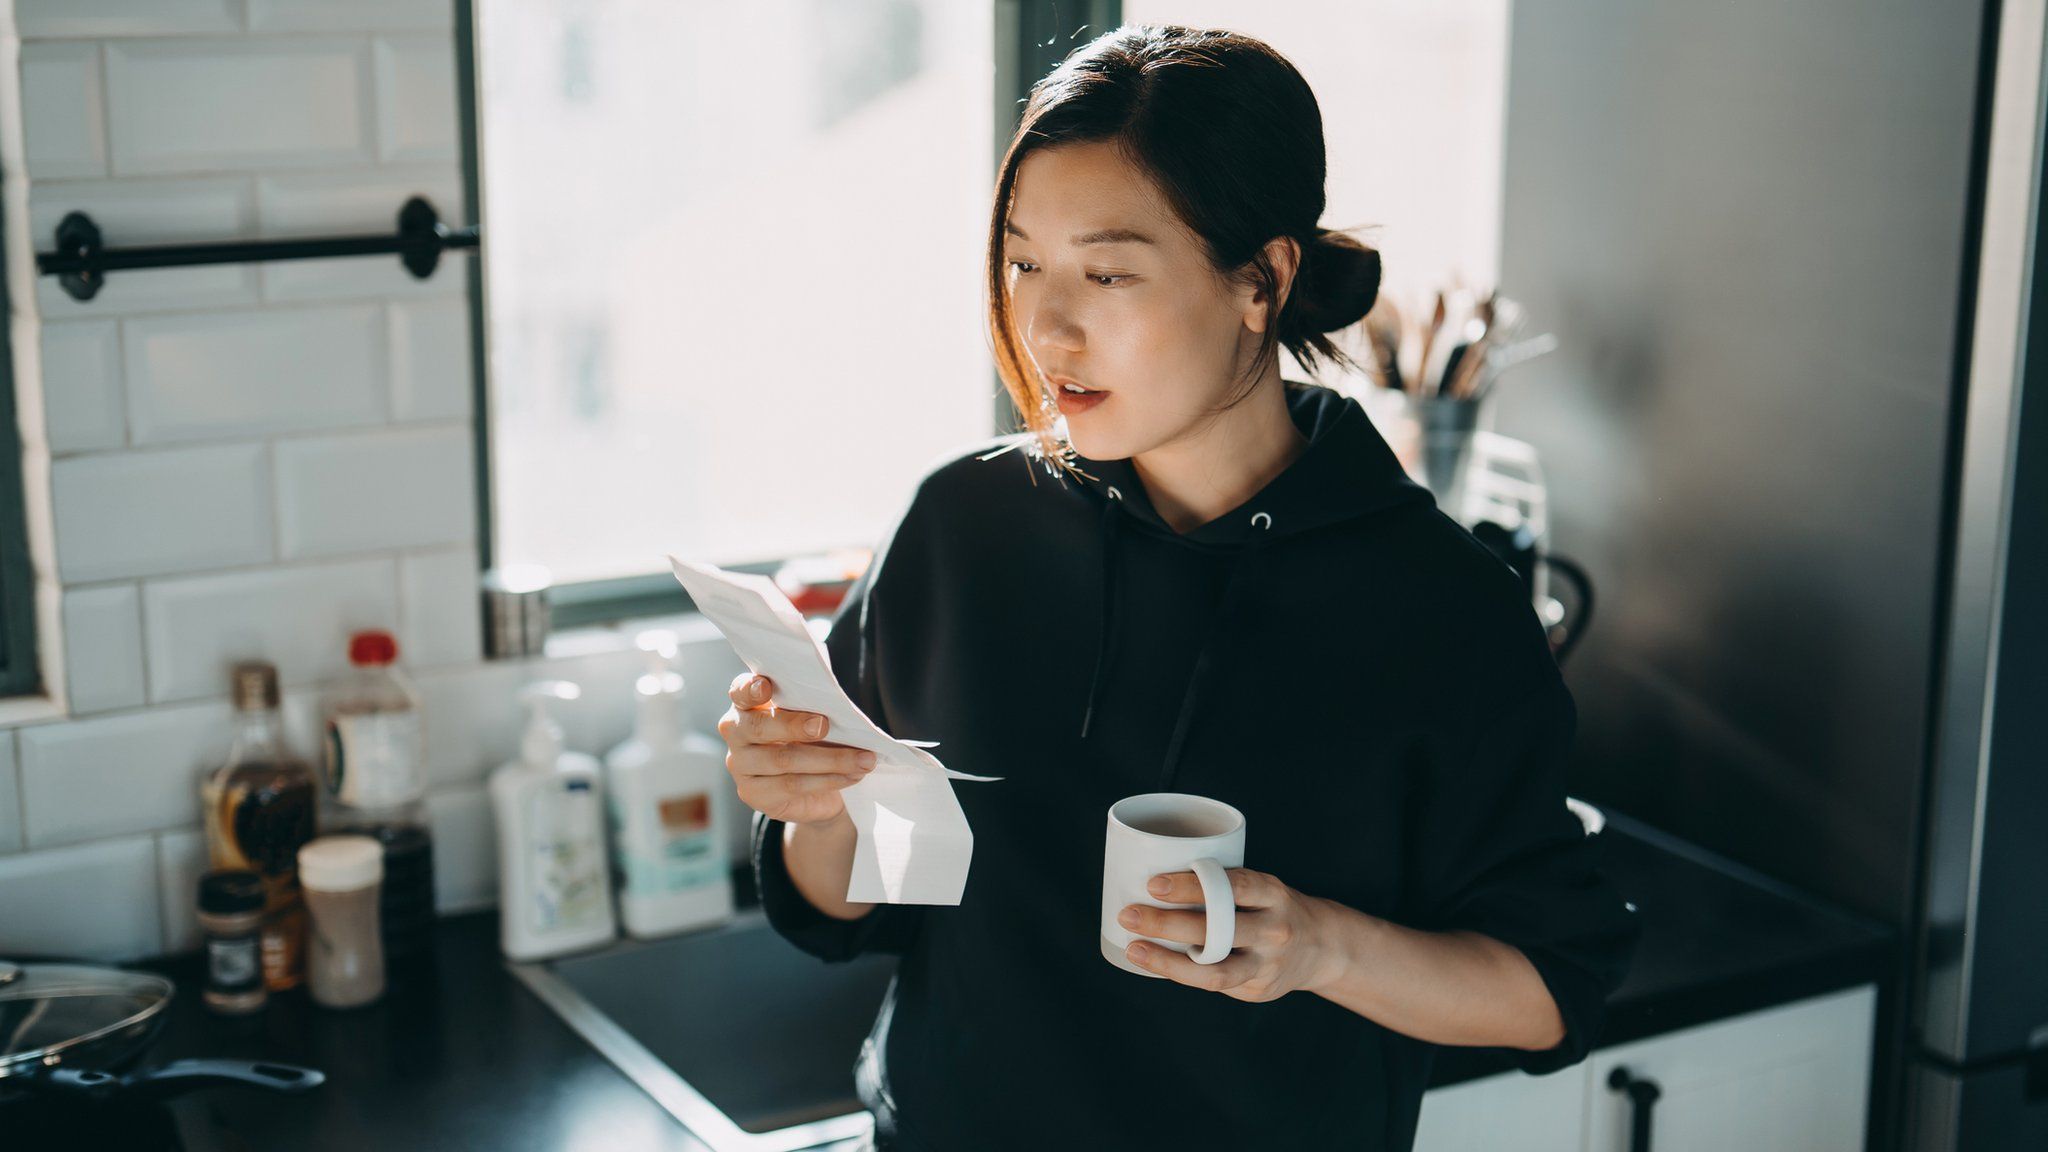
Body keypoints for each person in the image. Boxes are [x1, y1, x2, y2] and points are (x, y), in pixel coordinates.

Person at [720, 24, 1640, 1152]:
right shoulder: (963, 529)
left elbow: (1552, 986)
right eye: (1021, 262)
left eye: (1106, 272)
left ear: (1261, 279)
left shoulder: (1434, 605)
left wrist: (1317, 947)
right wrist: (812, 799)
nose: (1047, 327)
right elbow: (841, 908)